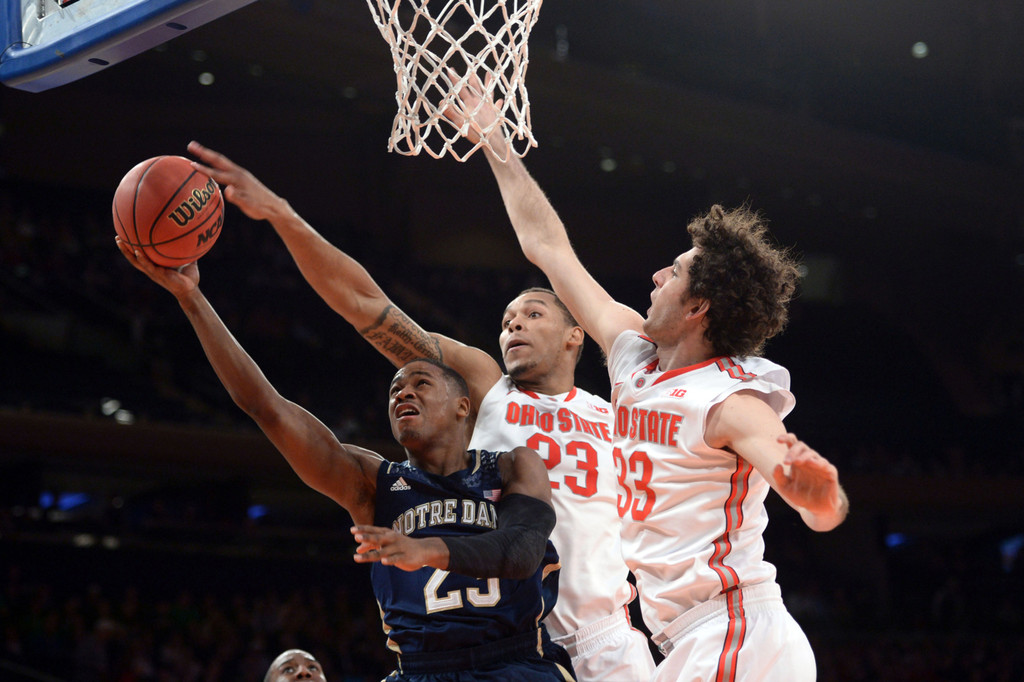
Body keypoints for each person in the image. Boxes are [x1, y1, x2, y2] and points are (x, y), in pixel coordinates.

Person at [186, 141, 656, 681]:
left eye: (532, 312)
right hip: (509, 630)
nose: (513, 325)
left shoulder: (617, 413)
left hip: (606, 632)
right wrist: (282, 216)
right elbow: (364, 304)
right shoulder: (484, 386)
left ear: (577, 334)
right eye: (506, 318)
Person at [447, 74, 850, 681]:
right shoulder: (632, 354)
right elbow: (547, 248)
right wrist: (495, 140)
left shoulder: (731, 401)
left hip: (736, 630)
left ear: (698, 308)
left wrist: (821, 498)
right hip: (689, 640)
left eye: (678, 271)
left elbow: (813, 504)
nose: (659, 273)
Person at [115, 238, 576, 682]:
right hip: (420, 670)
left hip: (514, 661)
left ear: (462, 406)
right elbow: (266, 406)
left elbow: (521, 553)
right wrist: (191, 297)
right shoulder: (373, 483)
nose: (403, 393)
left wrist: (426, 550)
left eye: (420, 383)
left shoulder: (514, 466)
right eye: (395, 390)